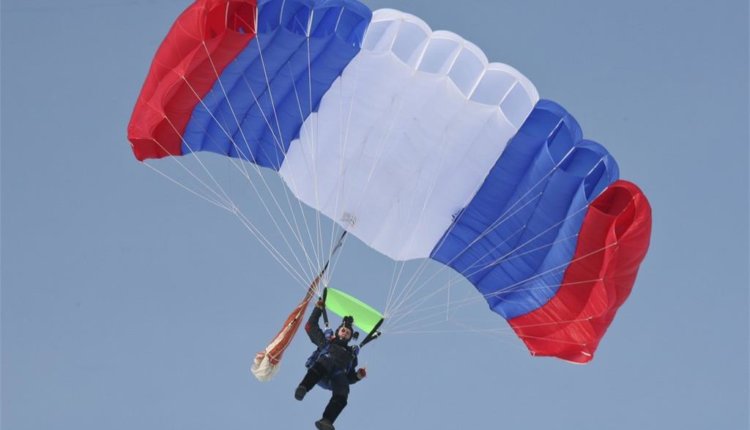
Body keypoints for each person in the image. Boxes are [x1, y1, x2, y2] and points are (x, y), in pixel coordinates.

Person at [295, 300, 367, 430]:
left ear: (350, 337)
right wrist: (318, 309)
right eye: (343, 330)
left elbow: (349, 377)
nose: (345, 333)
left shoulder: (351, 356)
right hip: (320, 370)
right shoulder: (326, 342)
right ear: (338, 331)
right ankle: (303, 387)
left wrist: (357, 376)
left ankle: (327, 420)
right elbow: (310, 327)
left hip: (334, 378)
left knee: (344, 389)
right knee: (327, 360)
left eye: (348, 333)